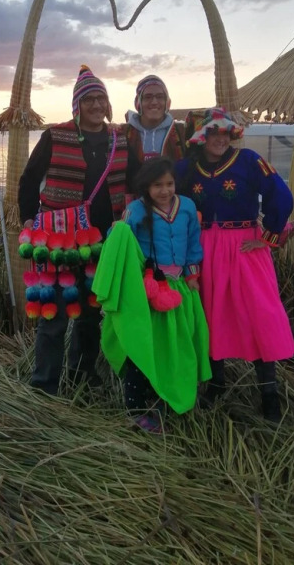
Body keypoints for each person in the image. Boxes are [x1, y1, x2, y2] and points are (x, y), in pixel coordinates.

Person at [18, 65, 137, 396]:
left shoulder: (120, 139)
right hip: (58, 241)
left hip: (103, 243)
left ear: (108, 104)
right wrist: (27, 218)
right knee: (54, 316)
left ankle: (82, 377)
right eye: (89, 100)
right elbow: (30, 178)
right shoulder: (55, 136)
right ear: (77, 105)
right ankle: (44, 386)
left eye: (101, 99)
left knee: (90, 315)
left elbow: (135, 180)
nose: (96, 105)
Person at [175, 107, 294, 422]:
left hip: (244, 247)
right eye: (213, 132)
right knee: (210, 312)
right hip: (204, 248)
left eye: (226, 132)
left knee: (259, 314)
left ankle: (269, 392)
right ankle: (217, 384)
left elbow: (281, 196)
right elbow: (159, 190)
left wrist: (268, 236)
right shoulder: (187, 169)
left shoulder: (249, 161)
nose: (221, 138)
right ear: (201, 137)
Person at [93, 157, 211, 433]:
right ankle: (135, 409)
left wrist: (192, 275)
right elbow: (119, 242)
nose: (165, 190)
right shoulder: (135, 210)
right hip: (148, 292)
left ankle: (164, 398)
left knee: (176, 346)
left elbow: (193, 244)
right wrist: (118, 230)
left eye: (169, 184)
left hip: (179, 288)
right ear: (146, 186)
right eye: (158, 185)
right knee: (143, 348)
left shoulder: (187, 207)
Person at [125, 75, 187, 163]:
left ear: (167, 102)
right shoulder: (124, 133)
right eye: (148, 97)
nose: (154, 102)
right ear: (139, 102)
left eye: (160, 97)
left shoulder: (182, 132)